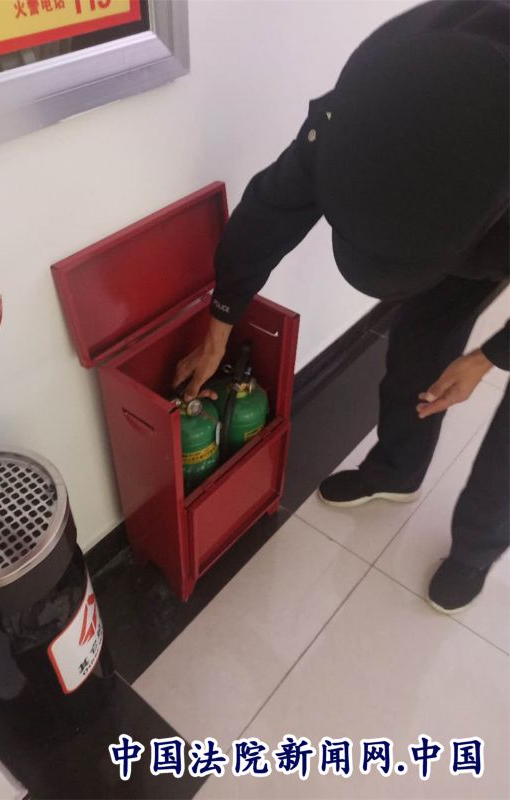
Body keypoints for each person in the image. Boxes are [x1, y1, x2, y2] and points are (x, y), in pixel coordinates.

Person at [172, 0, 509, 614]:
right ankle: (396, 469)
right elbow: (271, 209)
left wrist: (488, 357)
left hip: (488, 216)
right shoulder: (373, 95)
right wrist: (221, 320)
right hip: (456, 210)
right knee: (419, 340)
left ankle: (477, 547)